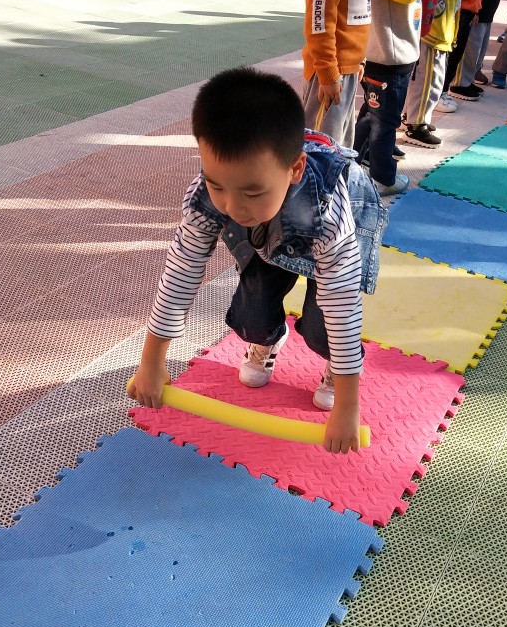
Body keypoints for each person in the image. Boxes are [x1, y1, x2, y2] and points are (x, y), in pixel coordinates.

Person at [127, 68, 388, 455]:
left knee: (322, 330)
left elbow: (342, 301)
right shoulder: (210, 194)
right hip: (267, 232)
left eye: (251, 192)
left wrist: (349, 406)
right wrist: (151, 362)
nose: (232, 206)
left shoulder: (328, 209)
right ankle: (268, 340)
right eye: (217, 185)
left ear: (295, 169)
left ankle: (335, 369)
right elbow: (182, 269)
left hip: (327, 224)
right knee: (252, 318)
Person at [354, 0, 452, 195]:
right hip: (389, 55)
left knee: (373, 114)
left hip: (384, 53)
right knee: (385, 121)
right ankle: (383, 177)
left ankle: (354, 158)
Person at [301, 0, 371, 147]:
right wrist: (327, 71)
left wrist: (359, 60)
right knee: (321, 148)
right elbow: (320, 19)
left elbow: (357, 11)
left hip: (348, 68)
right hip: (332, 72)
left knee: (340, 145)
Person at [403, 0, 464, 146]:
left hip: (443, 22)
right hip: (434, 25)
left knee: (431, 77)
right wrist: (436, 12)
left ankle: (415, 116)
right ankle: (416, 124)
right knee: (429, 78)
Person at [451, 0, 507, 98]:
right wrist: (475, 9)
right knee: (469, 49)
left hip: (488, 8)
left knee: (479, 50)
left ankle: (468, 80)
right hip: (477, 10)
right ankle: (459, 83)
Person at [444, 0, 485, 104]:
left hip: (469, 7)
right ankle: (438, 92)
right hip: (455, 7)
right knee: (447, 54)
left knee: (457, 53)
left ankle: (443, 90)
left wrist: (475, 6)